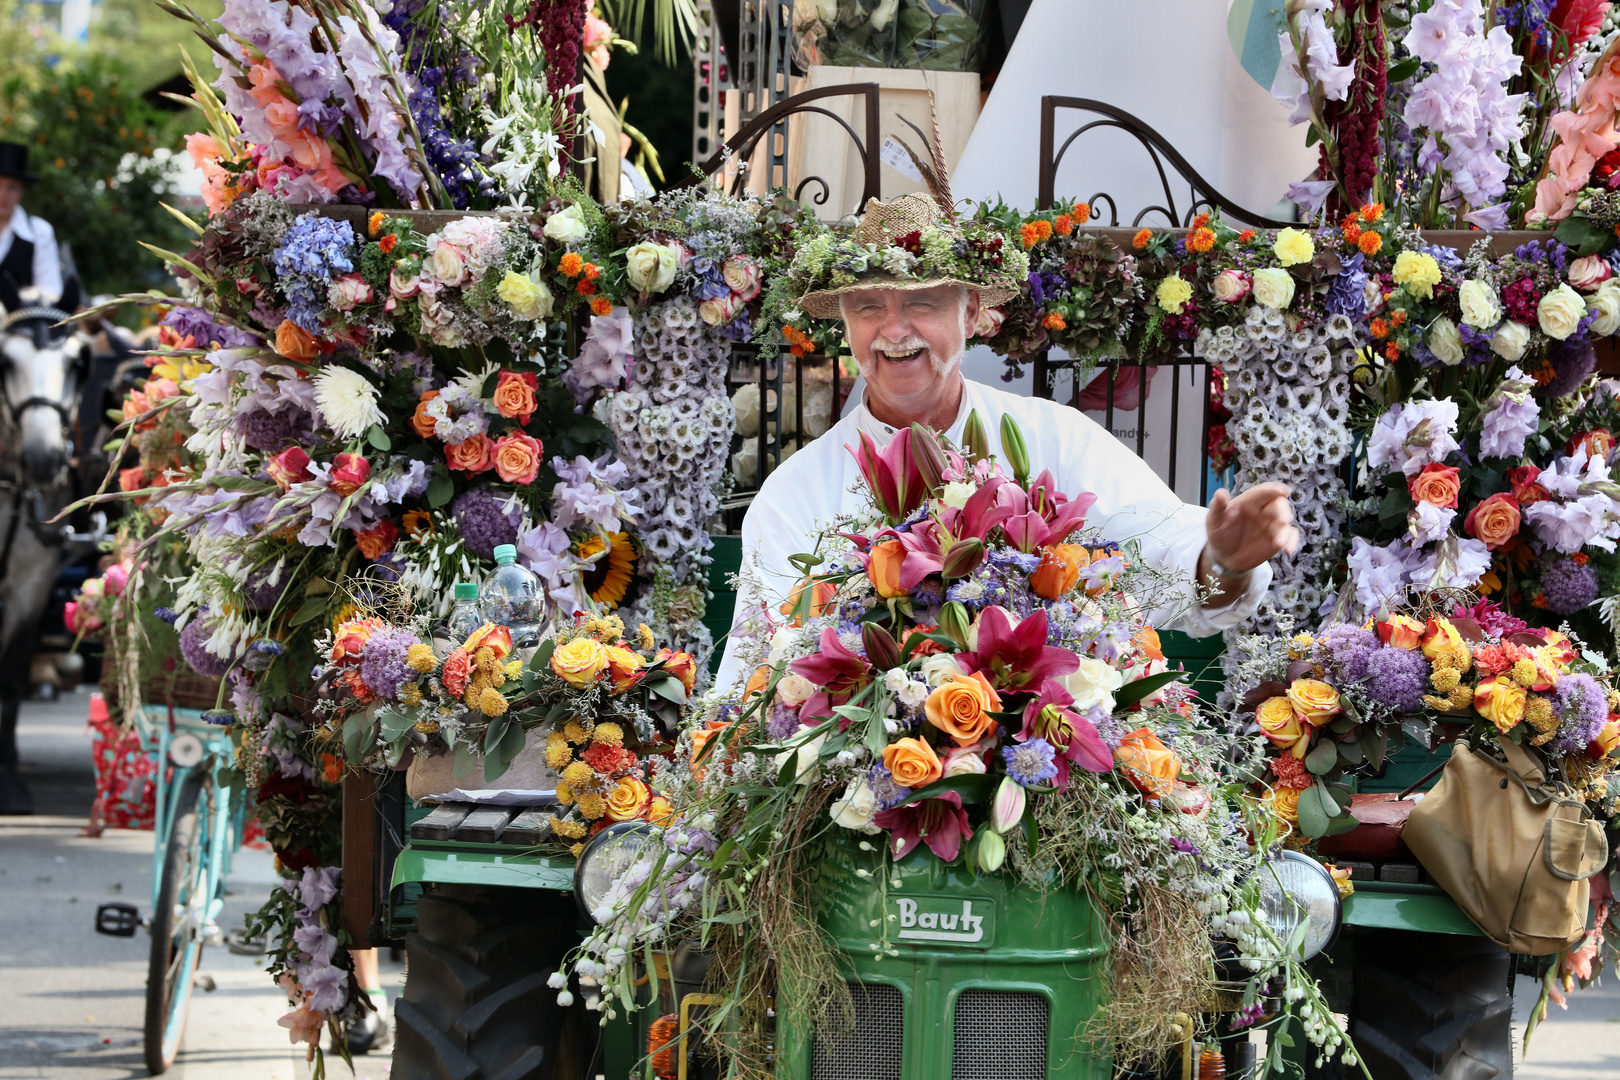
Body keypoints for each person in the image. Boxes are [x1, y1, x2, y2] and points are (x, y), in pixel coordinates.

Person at [715, 192, 1299, 690]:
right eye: (869, 306)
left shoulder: (1052, 438)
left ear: (971, 313)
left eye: (921, 302)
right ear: (845, 324)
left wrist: (1219, 561)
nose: (893, 330)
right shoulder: (794, 491)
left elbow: (1162, 546)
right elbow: (752, 679)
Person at [0, 142, 63, 303]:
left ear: (21, 190)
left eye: (11, 187)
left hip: (20, 324)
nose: (3, 194)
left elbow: (50, 292)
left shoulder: (39, 232)